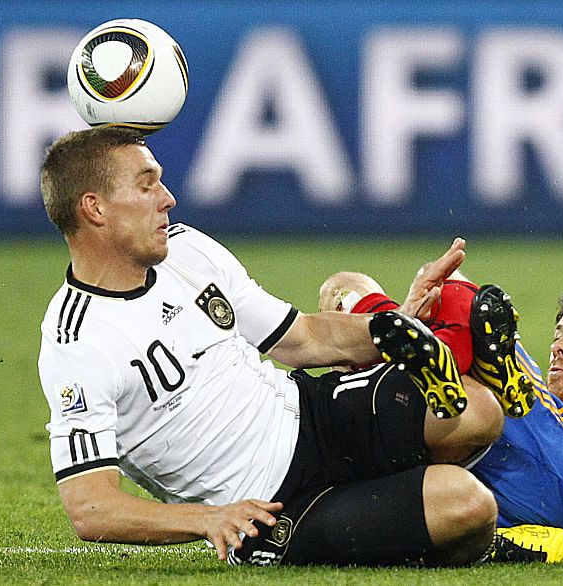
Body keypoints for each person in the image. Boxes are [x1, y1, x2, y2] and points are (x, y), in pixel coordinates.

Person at [36, 125, 515, 568]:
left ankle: (399, 502)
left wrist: (392, 326)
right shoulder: (77, 342)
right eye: (146, 185)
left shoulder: (187, 250)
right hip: (266, 506)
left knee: (479, 411)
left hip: (311, 414)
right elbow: (90, 507)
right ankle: (422, 516)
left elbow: (301, 338)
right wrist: (207, 518)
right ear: (95, 208)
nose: (168, 198)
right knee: (466, 505)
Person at [320, 156, 563, 560]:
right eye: (559, 333)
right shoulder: (543, 413)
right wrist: (408, 314)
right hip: (485, 481)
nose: (559, 346)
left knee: (459, 290)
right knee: (344, 287)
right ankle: (405, 348)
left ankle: (416, 350)